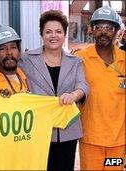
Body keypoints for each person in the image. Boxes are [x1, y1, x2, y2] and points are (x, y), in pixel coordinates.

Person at [18, 10, 89, 171]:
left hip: (68, 130)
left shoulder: (76, 61)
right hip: (38, 130)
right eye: (48, 31)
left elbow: (83, 85)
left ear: (65, 34)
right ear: (41, 34)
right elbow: (16, 82)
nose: (53, 35)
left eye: (58, 31)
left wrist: (73, 95)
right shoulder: (27, 59)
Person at [74, 6, 125, 171]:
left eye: (108, 27)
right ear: (92, 30)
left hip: (119, 143)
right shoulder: (79, 59)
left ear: (116, 31)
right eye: (99, 27)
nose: (103, 32)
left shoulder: (125, 60)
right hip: (90, 141)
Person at [0, 24, 28, 97]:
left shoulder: (25, 75)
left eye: (13, 47)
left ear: (19, 52)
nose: (9, 52)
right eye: (2, 48)